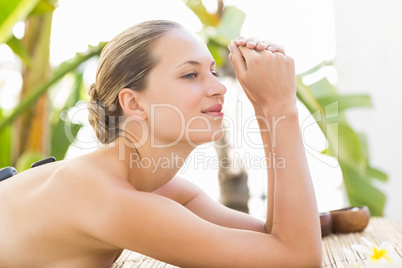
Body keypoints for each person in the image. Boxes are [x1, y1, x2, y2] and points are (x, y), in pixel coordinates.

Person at [0, 20, 322, 267]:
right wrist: (282, 108)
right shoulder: (110, 198)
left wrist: (266, 108)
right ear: (134, 103)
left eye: (212, 71)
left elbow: (270, 239)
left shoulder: (158, 189)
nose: (219, 88)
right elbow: (297, 259)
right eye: (190, 75)